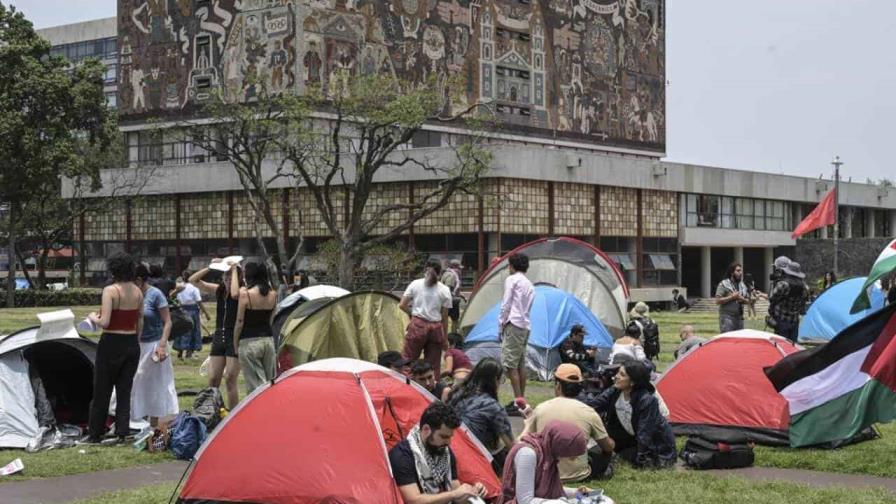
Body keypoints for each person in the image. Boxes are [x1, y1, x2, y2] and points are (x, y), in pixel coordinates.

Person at [82, 253, 142, 444]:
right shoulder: (138, 291)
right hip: (132, 342)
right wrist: (135, 340)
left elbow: (105, 321)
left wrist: (92, 317)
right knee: (124, 391)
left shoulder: (111, 290)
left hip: (111, 343)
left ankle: (95, 433)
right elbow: (140, 319)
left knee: (102, 389)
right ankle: (122, 431)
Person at [521, 364, 615, 482]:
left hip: (546, 473)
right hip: (579, 476)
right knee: (603, 450)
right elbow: (607, 447)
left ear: (558, 386)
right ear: (580, 388)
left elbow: (524, 441)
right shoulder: (589, 412)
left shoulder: (541, 409)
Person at [388, 401, 489, 504]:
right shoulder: (402, 455)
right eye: (443, 436)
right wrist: (453, 494)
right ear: (426, 429)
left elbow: (456, 490)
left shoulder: (443, 451)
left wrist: (472, 493)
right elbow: (413, 500)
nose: (448, 442)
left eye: (450, 437)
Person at [589, 361, 676, 469]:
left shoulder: (647, 400)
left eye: (622, 374)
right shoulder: (615, 390)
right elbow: (593, 405)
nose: (616, 377)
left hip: (654, 445)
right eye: (617, 373)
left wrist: (641, 459)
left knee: (619, 458)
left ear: (633, 381)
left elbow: (645, 433)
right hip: (629, 438)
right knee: (596, 452)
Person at [499, 421, 596, 504]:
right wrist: (561, 502)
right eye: (571, 453)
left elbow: (550, 490)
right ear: (561, 446)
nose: (574, 458)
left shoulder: (548, 454)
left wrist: (576, 493)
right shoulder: (528, 454)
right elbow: (525, 500)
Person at [190, 258, 242, 409]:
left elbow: (235, 294)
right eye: (225, 276)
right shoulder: (219, 289)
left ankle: (233, 413)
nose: (227, 279)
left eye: (230, 276)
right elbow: (193, 280)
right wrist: (211, 266)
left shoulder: (241, 291)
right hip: (220, 335)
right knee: (213, 379)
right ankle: (214, 411)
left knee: (230, 378)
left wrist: (233, 269)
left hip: (234, 336)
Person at [447, 358, 515, 474]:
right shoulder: (492, 406)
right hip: (477, 459)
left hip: (452, 450)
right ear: (495, 380)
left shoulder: (456, 394)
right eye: (501, 380)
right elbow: (512, 445)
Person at [130, 264, 178, 426]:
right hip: (137, 345)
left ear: (139, 280)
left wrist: (162, 345)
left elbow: (168, 322)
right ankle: (136, 422)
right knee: (136, 383)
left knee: (154, 384)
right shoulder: (131, 295)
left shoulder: (155, 294)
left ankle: (153, 424)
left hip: (154, 345)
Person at [400, 259, 453, 378]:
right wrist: (445, 338)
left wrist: (413, 314)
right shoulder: (445, 290)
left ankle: (407, 384)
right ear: (440, 273)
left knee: (408, 360)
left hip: (418, 325)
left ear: (425, 270)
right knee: (433, 365)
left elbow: (402, 305)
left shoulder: (415, 284)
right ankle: (431, 390)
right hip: (436, 327)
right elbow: (444, 317)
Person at [233, 261, 277, 395]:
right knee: (271, 382)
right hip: (268, 340)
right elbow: (272, 319)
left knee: (255, 386)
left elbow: (240, 321)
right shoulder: (273, 294)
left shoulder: (246, 294)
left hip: (249, 342)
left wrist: (235, 343)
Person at [499, 253, 535, 415]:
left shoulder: (512, 280)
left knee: (509, 364)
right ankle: (522, 399)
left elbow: (506, 303)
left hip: (513, 323)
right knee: (520, 363)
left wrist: (501, 323)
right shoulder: (529, 284)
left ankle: (518, 401)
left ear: (512, 266)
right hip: (525, 325)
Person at [767, 256, 808, 343]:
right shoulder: (804, 286)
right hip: (794, 321)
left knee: (781, 344)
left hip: (781, 320)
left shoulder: (783, 284)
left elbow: (772, 298)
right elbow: (803, 306)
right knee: (791, 345)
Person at [173, 271, 208, 360]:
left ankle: (180, 351)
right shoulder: (194, 289)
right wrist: (206, 313)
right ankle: (189, 353)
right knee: (193, 331)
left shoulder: (179, 288)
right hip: (192, 310)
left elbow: (174, 297)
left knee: (181, 330)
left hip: (181, 310)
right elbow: (199, 302)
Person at [715, 262, 750, 333]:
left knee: (739, 341)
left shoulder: (742, 285)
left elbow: (748, 301)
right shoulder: (724, 284)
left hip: (740, 318)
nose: (740, 273)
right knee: (727, 340)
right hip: (727, 317)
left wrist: (741, 299)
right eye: (738, 271)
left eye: (741, 271)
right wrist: (731, 297)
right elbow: (717, 301)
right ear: (732, 272)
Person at [440, 259, 464, 334]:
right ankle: (451, 336)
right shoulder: (451, 275)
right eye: (459, 268)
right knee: (451, 320)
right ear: (454, 267)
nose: (460, 271)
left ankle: (451, 335)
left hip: (451, 301)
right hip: (449, 303)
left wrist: (460, 295)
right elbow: (447, 290)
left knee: (453, 319)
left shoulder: (449, 274)